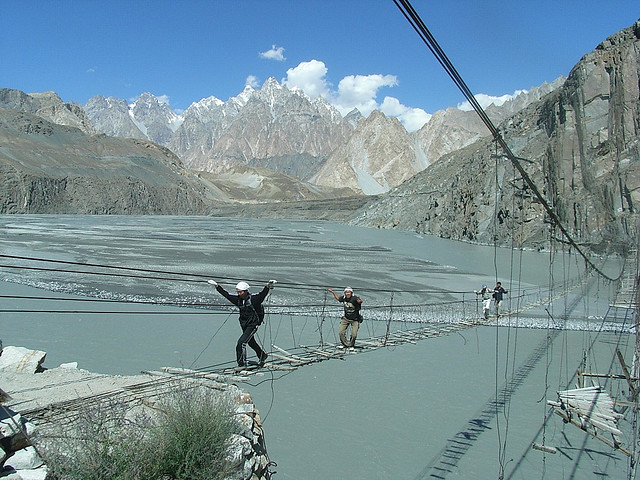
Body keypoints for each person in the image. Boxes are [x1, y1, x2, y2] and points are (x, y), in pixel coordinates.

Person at [208, 279, 276, 368]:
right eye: (238, 292)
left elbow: (262, 294)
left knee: (241, 343)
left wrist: (267, 286)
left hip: (252, 325)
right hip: (244, 325)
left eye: (240, 292)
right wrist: (217, 286)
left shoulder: (254, 300)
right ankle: (262, 355)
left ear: (245, 291)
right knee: (251, 342)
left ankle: (241, 364)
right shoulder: (238, 300)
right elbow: (227, 295)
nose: (239, 294)